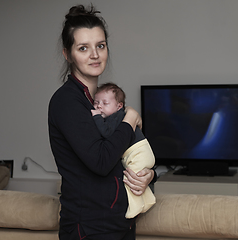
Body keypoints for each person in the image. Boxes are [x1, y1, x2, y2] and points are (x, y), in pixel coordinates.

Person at [48, 4, 155, 240]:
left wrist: (149, 175)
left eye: (100, 46)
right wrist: (129, 118)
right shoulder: (67, 101)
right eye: (83, 48)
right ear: (68, 54)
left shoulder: (99, 104)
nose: (94, 55)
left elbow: (128, 152)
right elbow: (101, 161)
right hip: (89, 228)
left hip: (119, 224)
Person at [91, 83, 156, 219]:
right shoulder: (122, 115)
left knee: (130, 180)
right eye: (96, 102)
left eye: (105, 103)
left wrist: (96, 117)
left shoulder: (117, 117)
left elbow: (107, 134)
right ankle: (149, 199)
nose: (99, 106)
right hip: (141, 153)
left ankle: (135, 207)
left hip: (138, 153)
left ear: (119, 106)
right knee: (138, 179)